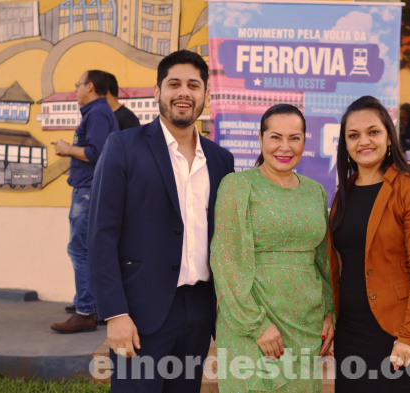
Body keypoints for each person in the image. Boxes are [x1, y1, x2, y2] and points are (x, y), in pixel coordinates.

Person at [87, 50, 234, 392]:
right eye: (174, 84)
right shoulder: (123, 146)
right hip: (139, 312)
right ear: (157, 92)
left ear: (205, 95)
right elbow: (100, 236)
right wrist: (114, 312)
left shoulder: (220, 159)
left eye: (193, 85)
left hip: (198, 311)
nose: (184, 92)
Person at [210, 104, 334, 392]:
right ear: (261, 139)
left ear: (305, 141)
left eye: (295, 138)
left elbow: (324, 260)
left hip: (306, 323)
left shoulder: (315, 191)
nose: (285, 147)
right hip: (252, 325)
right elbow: (226, 260)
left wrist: (330, 313)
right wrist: (256, 325)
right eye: (276, 137)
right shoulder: (237, 186)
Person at [328, 96, 410, 392]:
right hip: (350, 331)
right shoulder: (345, 192)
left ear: (389, 138)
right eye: (353, 135)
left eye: (373, 132)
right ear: (345, 144)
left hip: (396, 331)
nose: (363, 141)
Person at [50, 70, 118, 333]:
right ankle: (92, 308)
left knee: (80, 250)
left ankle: (85, 311)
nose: (76, 89)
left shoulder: (98, 113)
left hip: (88, 190)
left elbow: (97, 153)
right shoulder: (97, 113)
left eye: (78, 84)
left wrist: (67, 149)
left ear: (89, 86)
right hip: (88, 190)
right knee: (87, 250)